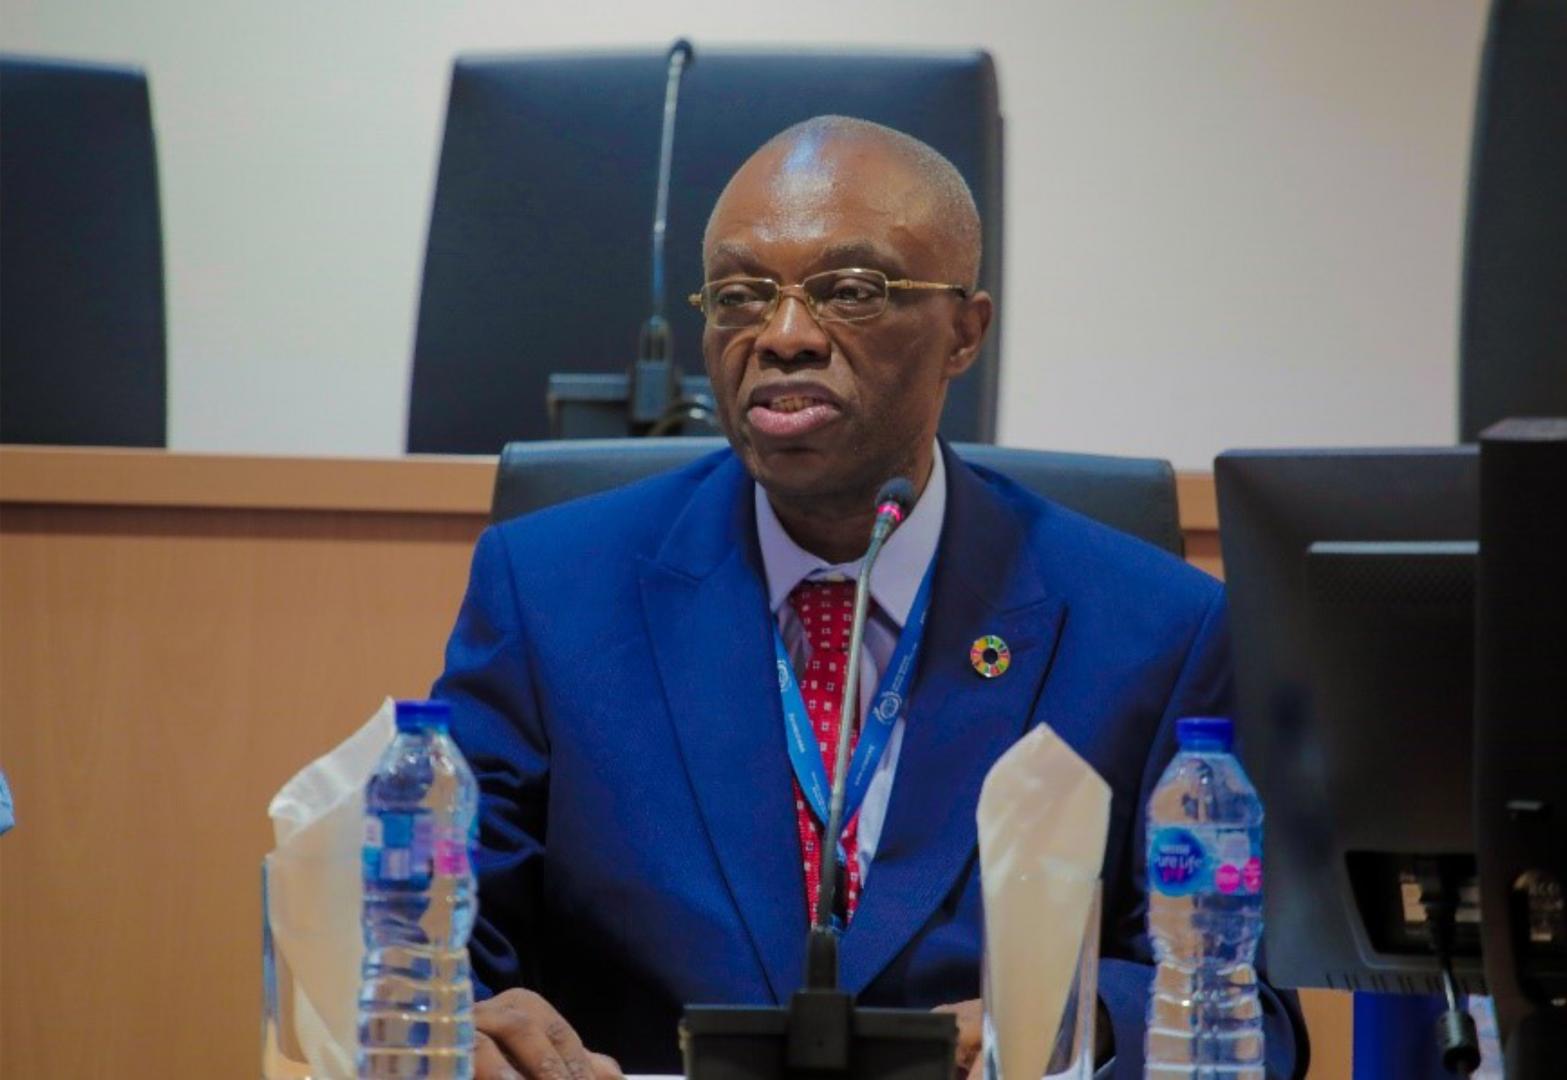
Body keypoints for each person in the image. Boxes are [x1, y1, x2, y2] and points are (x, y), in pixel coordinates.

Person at [435, 115, 1304, 1080]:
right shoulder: (553, 590)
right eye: (739, 295)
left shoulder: (1153, 627)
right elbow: (437, 928)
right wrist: (456, 1021)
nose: (783, 335)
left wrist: (1084, 1020)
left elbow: (1250, 1006)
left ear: (964, 333)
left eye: (852, 291)